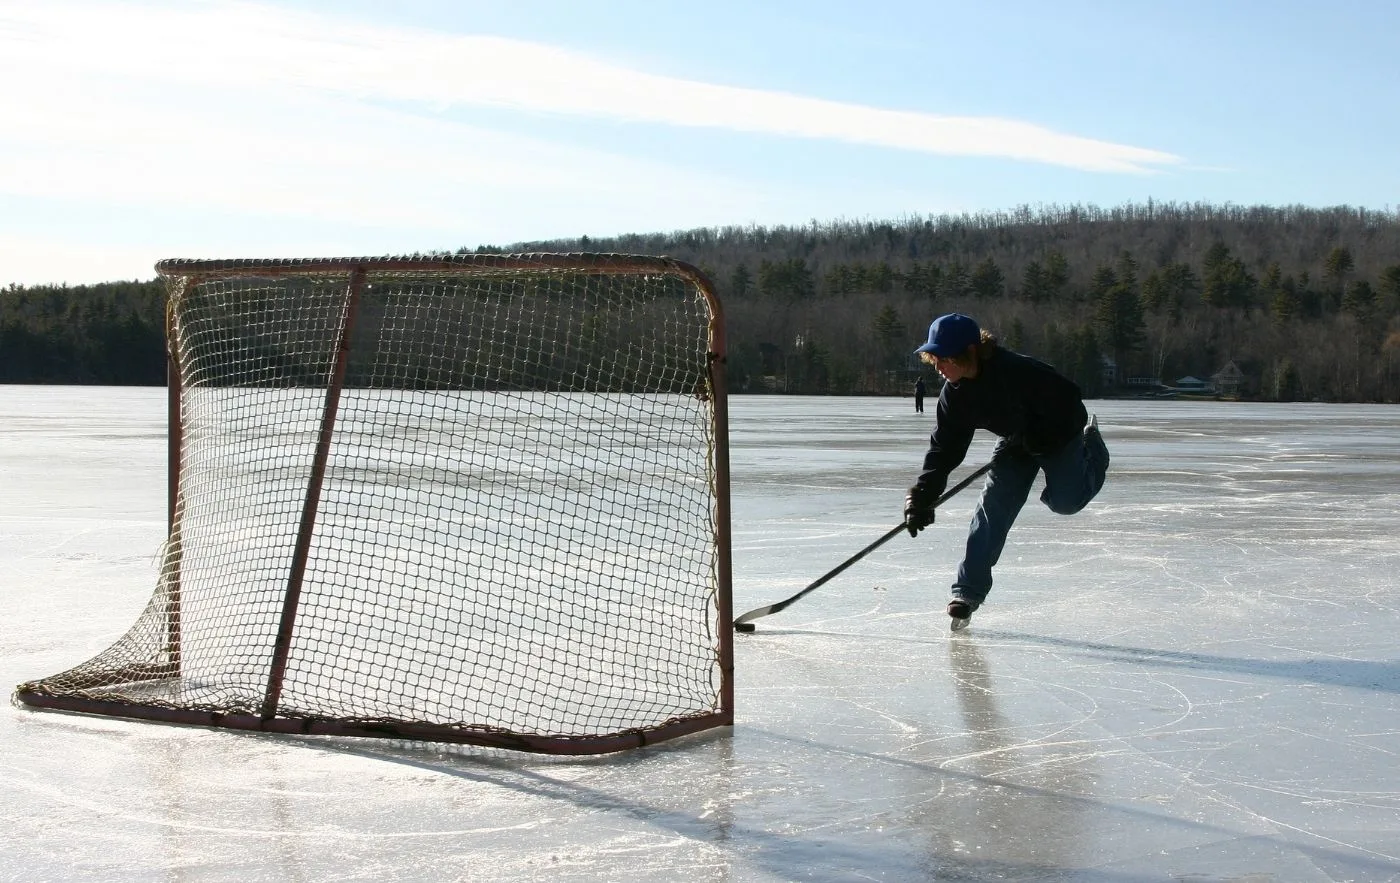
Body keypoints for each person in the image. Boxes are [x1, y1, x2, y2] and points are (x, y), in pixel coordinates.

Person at [903, 313, 1109, 630]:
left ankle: (1093, 446)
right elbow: (944, 450)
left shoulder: (1018, 371)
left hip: (1060, 434)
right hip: (1015, 445)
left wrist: (1044, 436)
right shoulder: (954, 396)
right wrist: (922, 497)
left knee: (1065, 502)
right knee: (992, 511)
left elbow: (1070, 399)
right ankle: (966, 593)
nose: (939, 367)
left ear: (970, 352)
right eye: (935, 359)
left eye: (944, 359)